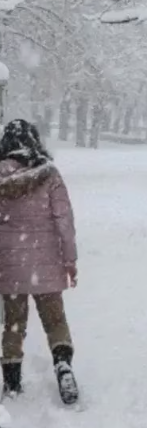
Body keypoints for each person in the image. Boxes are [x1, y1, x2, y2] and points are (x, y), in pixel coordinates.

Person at [0, 119, 79, 404]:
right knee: (55, 319)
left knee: (13, 323)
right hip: (47, 260)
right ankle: (62, 363)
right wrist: (69, 259)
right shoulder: (50, 175)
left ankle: (11, 382)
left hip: (9, 264)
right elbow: (64, 221)